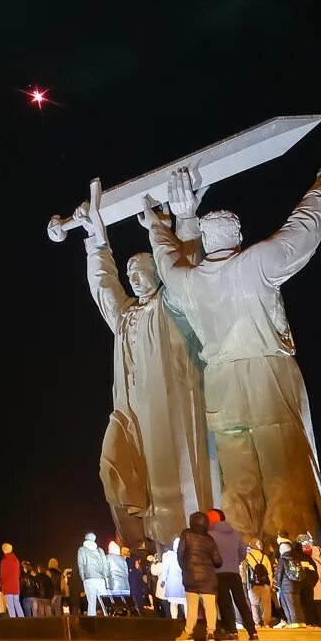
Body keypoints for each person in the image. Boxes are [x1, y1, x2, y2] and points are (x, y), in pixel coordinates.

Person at [149, 163, 321, 545]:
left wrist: (159, 227)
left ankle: (243, 549)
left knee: (238, 474)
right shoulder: (255, 263)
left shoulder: (190, 284)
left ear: (208, 242)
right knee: (283, 471)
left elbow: (165, 261)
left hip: (221, 383)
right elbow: (301, 234)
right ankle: (290, 548)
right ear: (239, 235)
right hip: (265, 372)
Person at [70, 199, 212, 552]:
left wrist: (178, 223)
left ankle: (173, 539)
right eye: (129, 272)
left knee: (172, 473)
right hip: (130, 410)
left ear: (156, 272)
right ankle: (141, 538)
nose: (133, 278)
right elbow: (104, 287)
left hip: (168, 406)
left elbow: (187, 271)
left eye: (139, 270)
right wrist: (97, 243)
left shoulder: (172, 304)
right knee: (113, 465)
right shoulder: (125, 316)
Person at [207, 509, 257, 640]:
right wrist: (235, 562)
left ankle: (232, 631)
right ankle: (252, 631)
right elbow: (243, 553)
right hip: (234, 572)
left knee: (225, 602)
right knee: (241, 602)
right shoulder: (235, 533)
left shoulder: (210, 535)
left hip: (218, 572)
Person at [174, 512, 223, 641]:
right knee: (210, 606)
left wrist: (185, 568)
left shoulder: (186, 534)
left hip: (191, 576)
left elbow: (180, 554)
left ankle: (188, 632)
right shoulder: (209, 539)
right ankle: (211, 632)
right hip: (208, 577)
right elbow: (218, 561)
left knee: (192, 606)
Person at [243, 539, 274, 628]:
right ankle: (266, 622)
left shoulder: (247, 557)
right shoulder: (265, 557)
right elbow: (269, 572)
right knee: (266, 604)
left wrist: (245, 582)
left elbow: (244, 570)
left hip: (253, 584)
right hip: (265, 584)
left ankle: (256, 622)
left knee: (254, 604)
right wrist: (270, 584)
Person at [78, 532, 110, 616]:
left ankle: (91, 624)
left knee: (91, 603)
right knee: (104, 603)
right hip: (100, 580)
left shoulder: (82, 550)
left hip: (89, 580)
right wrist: (104, 577)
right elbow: (105, 565)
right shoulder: (100, 550)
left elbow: (81, 566)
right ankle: (109, 620)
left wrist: (84, 579)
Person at [156, 540, 183, 619]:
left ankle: (174, 621)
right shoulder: (185, 555)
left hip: (172, 584)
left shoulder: (168, 556)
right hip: (183, 584)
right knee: (185, 603)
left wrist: (163, 580)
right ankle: (188, 621)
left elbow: (165, 569)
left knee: (173, 604)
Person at [0, 543, 23, 618]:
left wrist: (1, 585)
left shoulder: (4, 561)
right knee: (17, 604)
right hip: (16, 586)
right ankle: (23, 620)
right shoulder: (16, 560)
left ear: (4, 549)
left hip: (7, 586)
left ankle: (13, 621)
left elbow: (2, 575)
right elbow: (18, 573)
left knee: (10, 606)